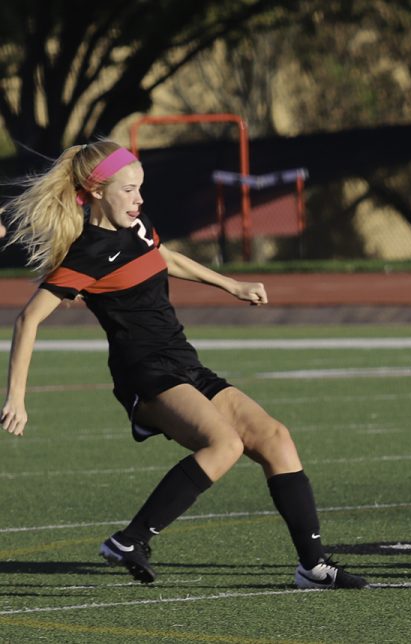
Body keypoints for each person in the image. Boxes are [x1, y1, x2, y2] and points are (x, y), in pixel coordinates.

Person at [0, 141, 368, 589]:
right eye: (130, 190)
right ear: (96, 191)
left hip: (182, 360)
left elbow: (164, 257)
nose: (139, 199)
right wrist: (16, 397)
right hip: (145, 373)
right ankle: (130, 540)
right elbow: (27, 319)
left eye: (141, 189)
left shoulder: (135, 226)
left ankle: (313, 567)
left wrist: (230, 285)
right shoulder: (88, 252)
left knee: (275, 437)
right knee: (225, 444)